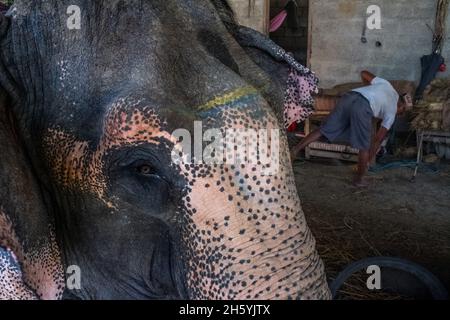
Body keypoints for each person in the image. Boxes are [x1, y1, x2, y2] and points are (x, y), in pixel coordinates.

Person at [291, 70, 413, 187]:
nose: (399, 115)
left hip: (349, 96)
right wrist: (369, 160)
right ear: (401, 106)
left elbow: (364, 73)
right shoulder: (392, 112)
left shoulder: (387, 85)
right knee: (364, 146)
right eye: (401, 113)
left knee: (323, 129)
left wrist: (368, 90)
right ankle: (359, 180)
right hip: (363, 107)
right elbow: (377, 140)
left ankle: (295, 151)